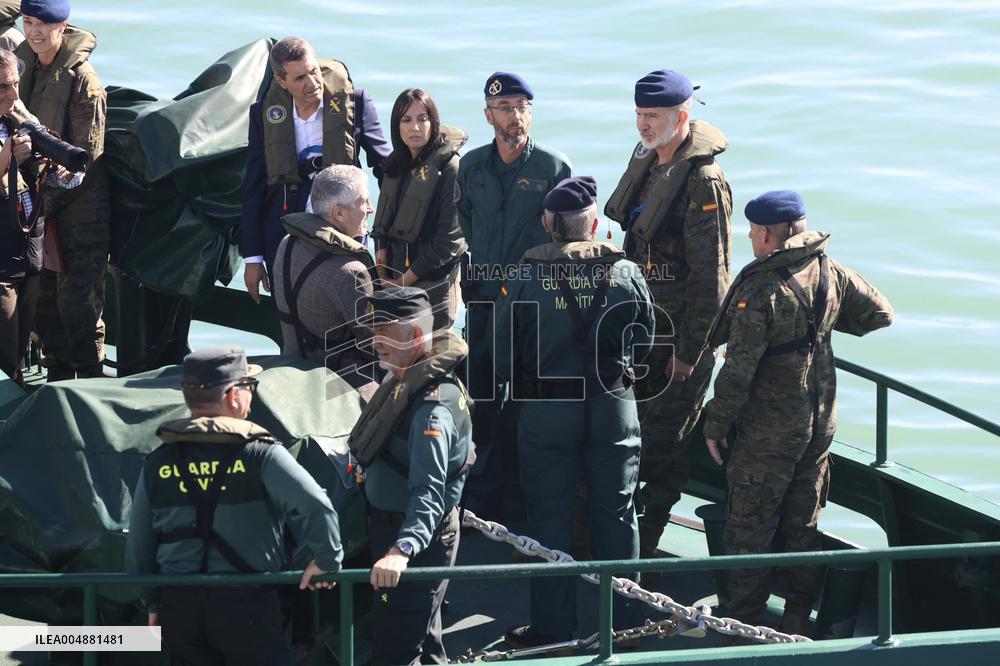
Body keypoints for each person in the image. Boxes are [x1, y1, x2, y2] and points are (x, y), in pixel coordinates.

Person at [702, 190, 894, 635]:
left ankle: (744, 628)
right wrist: (820, 325)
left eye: (752, 229)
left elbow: (739, 369)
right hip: (818, 424)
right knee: (802, 524)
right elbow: (880, 313)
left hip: (768, 432)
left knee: (749, 532)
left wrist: (715, 422)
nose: (749, 236)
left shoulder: (761, 287)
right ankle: (796, 620)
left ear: (768, 233)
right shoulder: (829, 269)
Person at [494, 177, 654, 647]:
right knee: (618, 512)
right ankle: (625, 624)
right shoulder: (626, 273)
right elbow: (645, 339)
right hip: (613, 403)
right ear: (595, 225)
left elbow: (502, 351)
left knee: (548, 518)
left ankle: (551, 627)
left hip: (548, 407)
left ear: (547, 224)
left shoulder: (524, 275)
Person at [126, 346, 343, 665]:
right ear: (232, 396)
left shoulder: (158, 461)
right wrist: (327, 559)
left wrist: (152, 602)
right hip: (248, 607)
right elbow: (316, 506)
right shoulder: (261, 453)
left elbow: (139, 545)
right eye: (249, 387)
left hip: (180, 610)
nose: (252, 396)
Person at [604, 68, 733, 559]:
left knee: (661, 450)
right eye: (638, 115)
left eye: (652, 117)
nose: (642, 125)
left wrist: (690, 352)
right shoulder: (652, 163)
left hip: (677, 343)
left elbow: (712, 279)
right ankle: (621, 543)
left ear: (682, 116)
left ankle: (647, 551)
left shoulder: (703, 182)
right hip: (639, 331)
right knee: (624, 438)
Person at [456, 71, 571, 521]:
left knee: (526, 396)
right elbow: (464, 219)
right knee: (482, 393)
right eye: (505, 108)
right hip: (484, 297)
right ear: (489, 116)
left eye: (522, 107)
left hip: (531, 301)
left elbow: (564, 235)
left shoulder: (552, 167)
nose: (515, 115)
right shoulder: (471, 166)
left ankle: (524, 497)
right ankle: (482, 494)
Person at [348, 287, 473, 665]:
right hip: (398, 528)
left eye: (384, 333)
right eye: (375, 332)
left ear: (416, 337)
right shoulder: (404, 379)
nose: (376, 343)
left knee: (395, 648)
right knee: (424, 632)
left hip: (413, 540)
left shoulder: (431, 412)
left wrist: (401, 551)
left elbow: (430, 492)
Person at [241, 36, 390, 307]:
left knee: (354, 305)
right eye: (299, 78)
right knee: (290, 310)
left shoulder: (355, 103)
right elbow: (254, 185)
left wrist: (386, 239)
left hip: (344, 223)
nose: (312, 84)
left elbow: (386, 170)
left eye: (313, 71)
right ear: (281, 82)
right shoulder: (263, 114)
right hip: (284, 228)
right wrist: (253, 258)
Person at [16, 0, 110, 382]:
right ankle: (56, 378)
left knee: (79, 306)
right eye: (28, 22)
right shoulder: (25, 68)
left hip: (80, 213)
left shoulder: (84, 82)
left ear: (63, 26)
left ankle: (89, 381)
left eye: (44, 24)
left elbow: (84, 162)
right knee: (42, 303)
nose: (35, 32)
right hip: (40, 204)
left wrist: (31, 195)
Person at [271, 164, 379, 399]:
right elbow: (375, 347)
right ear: (339, 213)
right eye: (364, 201)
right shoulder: (351, 272)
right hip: (340, 385)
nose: (371, 209)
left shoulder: (287, 244)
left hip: (292, 366)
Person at [371, 88, 467, 331]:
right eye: (406, 120)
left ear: (433, 123)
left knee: (433, 359)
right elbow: (383, 224)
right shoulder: (394, 166)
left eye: (422, 119)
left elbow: (448, 242)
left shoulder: (450, 170)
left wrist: (404, 281)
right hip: (392, 282)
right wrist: (382, 269)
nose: (415, 127)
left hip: (434, 287)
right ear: (397, 126)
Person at [0, 48, 39, 385]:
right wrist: (8, 155)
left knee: (19, 345)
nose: (13, 95)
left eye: (15, 83)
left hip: (24, 249)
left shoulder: (14, 115)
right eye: (2, 87)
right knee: (4, 348)